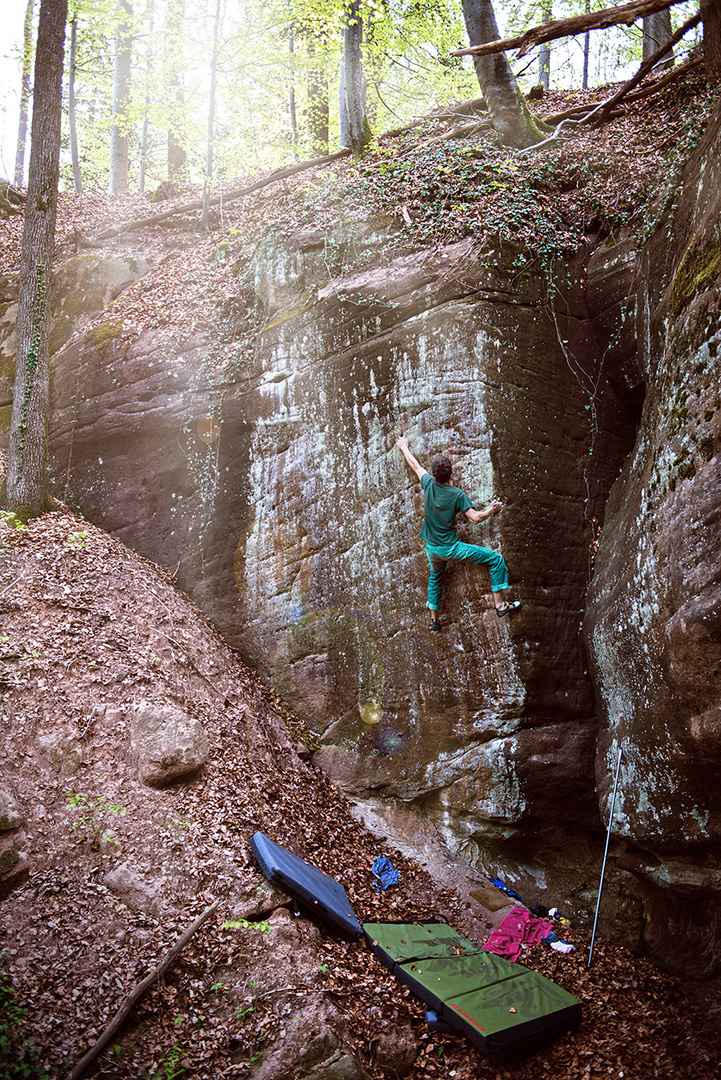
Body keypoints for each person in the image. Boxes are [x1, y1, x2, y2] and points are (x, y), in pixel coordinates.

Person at [396, 436, 521, 630]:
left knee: (435, 578)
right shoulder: (457, 494)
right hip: (451, 548)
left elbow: (415, 466)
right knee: (495, 559)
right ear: (451, 473)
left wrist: (404, 447)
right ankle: (500, 605)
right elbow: (474, 518)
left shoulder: (428, 483)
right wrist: (490, 510)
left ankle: (434, 621)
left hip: (431, 548)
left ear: (434, 473)